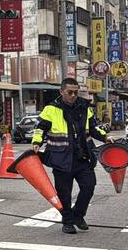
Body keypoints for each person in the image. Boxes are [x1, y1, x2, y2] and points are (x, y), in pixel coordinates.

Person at [31, 78, 112, 234]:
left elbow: (94, 129)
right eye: (70, 92)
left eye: (76, 92)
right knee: (64, 193)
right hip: (61, 158)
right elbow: (40, 128)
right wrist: (37, 142)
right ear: (61, 92)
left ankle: (78, 214)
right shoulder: (51, 109)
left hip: (83, 157)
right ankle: (67, 222)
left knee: (89, 187)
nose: (73, 95)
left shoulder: (85, 107)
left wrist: (105, 137)